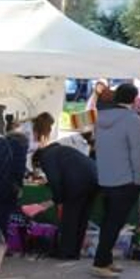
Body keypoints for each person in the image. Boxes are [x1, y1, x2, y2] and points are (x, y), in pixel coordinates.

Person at [91, 83, 140, 278]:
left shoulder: (101, 118)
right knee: (114, 223)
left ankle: (105, 259)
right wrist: (139, 178)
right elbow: (137, 152)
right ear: (133, 99)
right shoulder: (131, 119)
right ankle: (100, 262)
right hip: (126, 179)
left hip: (105, 177)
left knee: (109, 221)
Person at [31, 111, 99, 260]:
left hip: (78, 184)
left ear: (38, 161)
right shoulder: (59, 150)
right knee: (82, 218)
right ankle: (74, 252)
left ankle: (64, 252)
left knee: (70, 218)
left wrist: (58, 199)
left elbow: (55, 180)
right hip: (94, 179)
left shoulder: (47, 157)